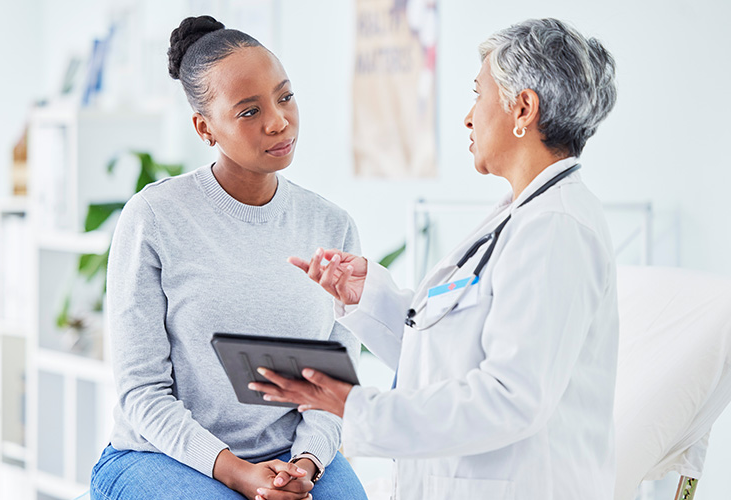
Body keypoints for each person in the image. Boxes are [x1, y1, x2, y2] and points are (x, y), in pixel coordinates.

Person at [252, 18, 619, 500]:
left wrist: (357, 408)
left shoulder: (556, 228)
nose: (469, 117)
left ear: (523, 109)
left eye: (478, 94)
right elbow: (449, 358)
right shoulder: (519, 217)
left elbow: (512, 398)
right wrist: (370, 298)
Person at [90, 15, 368, 500]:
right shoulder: (154, 217)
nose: (278, 120)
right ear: (205, 128)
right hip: (161, 455)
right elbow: (142, 393)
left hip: (288, 454)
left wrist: (307, 462)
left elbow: (333, 386)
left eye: (285, 96)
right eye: (248, 111)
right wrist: (236, 471)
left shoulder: (332, 225)